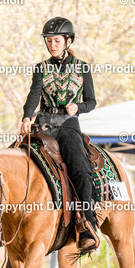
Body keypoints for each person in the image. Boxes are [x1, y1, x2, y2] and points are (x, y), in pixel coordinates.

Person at [19, 17, 98, 253]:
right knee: (15, 155)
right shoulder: (40, 68)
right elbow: (34, 96)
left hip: (68, 125)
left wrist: (79, 107)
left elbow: (92, 101)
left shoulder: (82, 68)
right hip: (43, 123)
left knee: (80, 169)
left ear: (68, 41)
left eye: (56, 41)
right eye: (49, 41)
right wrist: (26, 117)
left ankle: (88, 225)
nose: (52, 45)